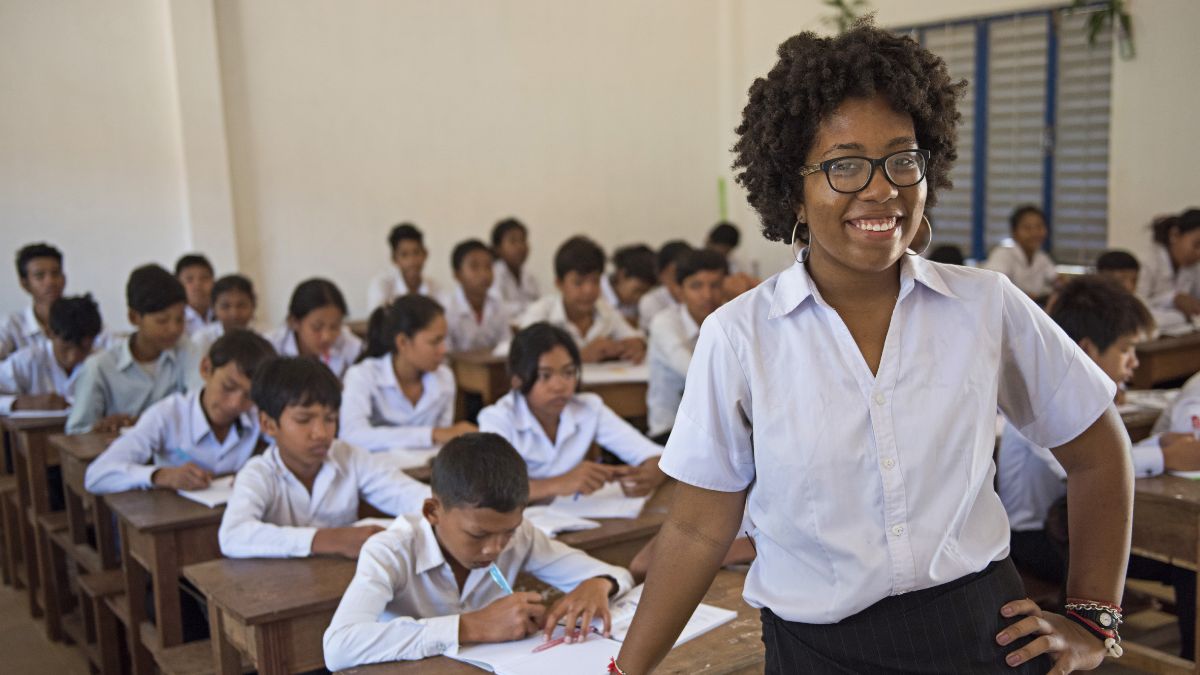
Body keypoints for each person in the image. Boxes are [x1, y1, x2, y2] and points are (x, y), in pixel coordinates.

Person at [614, 22, 1132, 674]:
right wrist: (625, 669)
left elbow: (1097, 448)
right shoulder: (741, 336)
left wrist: (1093, 615)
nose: (882, 187)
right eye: (844, 164)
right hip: (818, 651)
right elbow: (695, 529)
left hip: (984, 637)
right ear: (792, 187)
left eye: (901, 158)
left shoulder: (984, 304)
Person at [998, 275, 1199, 659]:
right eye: (1127, 350)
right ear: (1087, 349)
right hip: (1033, 538)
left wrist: (1160, 447)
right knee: (1187, 562)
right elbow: (1072, 468)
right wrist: (1164, 457)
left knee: (1187, 556)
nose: (1135, 363)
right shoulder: (1039, 399)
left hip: (1069, 529)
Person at [321, 432, 633, 669]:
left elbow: (618, 574)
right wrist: (471, 626)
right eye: (478, 534)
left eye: (507, 532)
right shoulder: (391, 551)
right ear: (433, 511)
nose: (495, 548)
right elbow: (339, 647)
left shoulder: (520, 537)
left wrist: (598, 584)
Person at [219, 356, 430, 559]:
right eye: (304, 420)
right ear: (268, 424)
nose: (321, 432)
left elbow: (409, 494)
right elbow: (232, 534)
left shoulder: (349, 457)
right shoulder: (258, 473)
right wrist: (328, 538)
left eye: (330, 419)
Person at [478, 323, 664, 502]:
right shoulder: (497, 419)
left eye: (568, 373)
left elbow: (654, 456)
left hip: (575, 517)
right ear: (517, 380)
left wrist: (648, 476)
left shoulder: (588, 408)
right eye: (545, 375)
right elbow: (490, 490)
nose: (559, 386)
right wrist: (559, 483)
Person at [84, 330, 275, 494]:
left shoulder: (259, 414)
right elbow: (96, 475)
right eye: (228, 386)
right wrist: (160, 475)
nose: (235, 404)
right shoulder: (167, 414)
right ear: (206, 369)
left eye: (249, 396)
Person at [66, 264, 201, 434]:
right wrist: (100, 428)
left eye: (180, 319)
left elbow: (200, 405)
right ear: (134, 317)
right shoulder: (100, 368)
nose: (174, 329)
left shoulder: (187, 350)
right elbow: (76, 432)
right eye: (162, 321)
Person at [340, 295, 476, 456]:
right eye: (435, 342)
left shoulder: (444, 378)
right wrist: (431, 434)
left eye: (444, 340)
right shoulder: (362, 376)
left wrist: (438, 435)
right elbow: (352, 436)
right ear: (403, 342)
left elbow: (441, 444)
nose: (443, 350)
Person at [518, 236, 646, 364]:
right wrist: (581, 355)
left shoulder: (604, 309)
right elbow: (526, 358)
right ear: (559, 283)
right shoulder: (541, 313)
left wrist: (633, 345)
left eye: (595, 281)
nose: (589, 290)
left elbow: (634, 338)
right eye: (578, 283)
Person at [646, 249, 727, 442]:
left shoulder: (728, 319)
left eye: (715, 285)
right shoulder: (664, 323)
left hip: (719, 431)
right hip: (672, 432)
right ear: (679, 291)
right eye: (696, 286)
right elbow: (694, 372)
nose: (707, 295)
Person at [0, 294, 101, 413]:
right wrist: (19, 403)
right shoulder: (27, 360)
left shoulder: (101, 362)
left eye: (84, 348)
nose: (73, 357)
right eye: (66, 348)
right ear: (49, 333)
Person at [266, 278, 363, 378]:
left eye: (334, 327)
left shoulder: (351, 346)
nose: (327, 337)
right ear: (294, 322)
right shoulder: (271, 348)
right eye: (317, 327)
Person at [441, 239, 511, 353]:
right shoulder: (446, 309)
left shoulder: (498, 305)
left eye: (488, 266)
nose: (484, 274)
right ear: (457, 275)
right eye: (474, 267)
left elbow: (506, 345)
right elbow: (445, 353)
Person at [0, 243, 68, 360]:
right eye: (40, 276)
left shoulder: (83, 320)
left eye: (55, 273)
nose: (50, 282)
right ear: (24, 284)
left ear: (64, 278)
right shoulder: (12, 326)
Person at [1136, 210, 1200, 328]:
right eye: (1196, 245)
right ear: (1174, 235)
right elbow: (1137, 307)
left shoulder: (1193, 267)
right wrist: (1172, 299)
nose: (1198, 254)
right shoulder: (1147, 261)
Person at [984, 205, 1059, 303]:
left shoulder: (1042, 257)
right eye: (1027, 228)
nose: (1035, 233)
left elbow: (1056, 280)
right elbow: (993, 285)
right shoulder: (1003, 254)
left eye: (1039, 226)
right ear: (1014, 232)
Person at [367, 223, 440, 310]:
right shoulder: (381, 285)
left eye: (416, 252)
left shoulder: (435, 288)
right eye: (404, 255)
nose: (412, 261)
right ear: (394, 259)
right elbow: (377, 320)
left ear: (425, 254)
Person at [191, 274, 258, 354]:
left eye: (241, 305)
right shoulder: (202, 339)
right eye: (225, 306)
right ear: (213, 308)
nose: (234, 314)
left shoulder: (268, 336)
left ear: (253, 306)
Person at [636, 240, 692, 331]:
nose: (682, 282)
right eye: (677, 275)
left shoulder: (706, 297)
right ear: (661, 275)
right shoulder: (650, 301)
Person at [490, 217, 540, 316]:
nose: (520, 246)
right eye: (513, 241)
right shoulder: (493, 274)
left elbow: (539, 305)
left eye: (523, 240)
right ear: (498, 248)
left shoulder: (529, 276)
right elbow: (497, 308)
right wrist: (530, 308)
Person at [600, 245, 657, 325]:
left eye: (646, 292)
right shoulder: (594, 292)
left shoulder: (643, 303)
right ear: (622, 274)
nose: (641, 298)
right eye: (639, 290)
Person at [176, 253, 216, 335]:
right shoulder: (176, 321)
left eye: (204, 278)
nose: (198, 285)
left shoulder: (223, 314)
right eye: (189, 279)